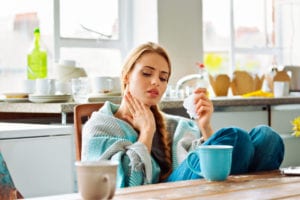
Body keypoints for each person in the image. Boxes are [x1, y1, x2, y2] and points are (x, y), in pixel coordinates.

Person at [82, 42, 284, 187]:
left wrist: (204, 126)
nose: (156, 82)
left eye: (163, 78)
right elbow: (125, 185)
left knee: (268, 137)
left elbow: (197, 161)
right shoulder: (100, 126)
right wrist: (146, 133)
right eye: (147, 73)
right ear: (126, 76)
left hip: (196, 186)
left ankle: (238, 193)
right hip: (160, 194)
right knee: (237, 137)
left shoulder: (175, 125)